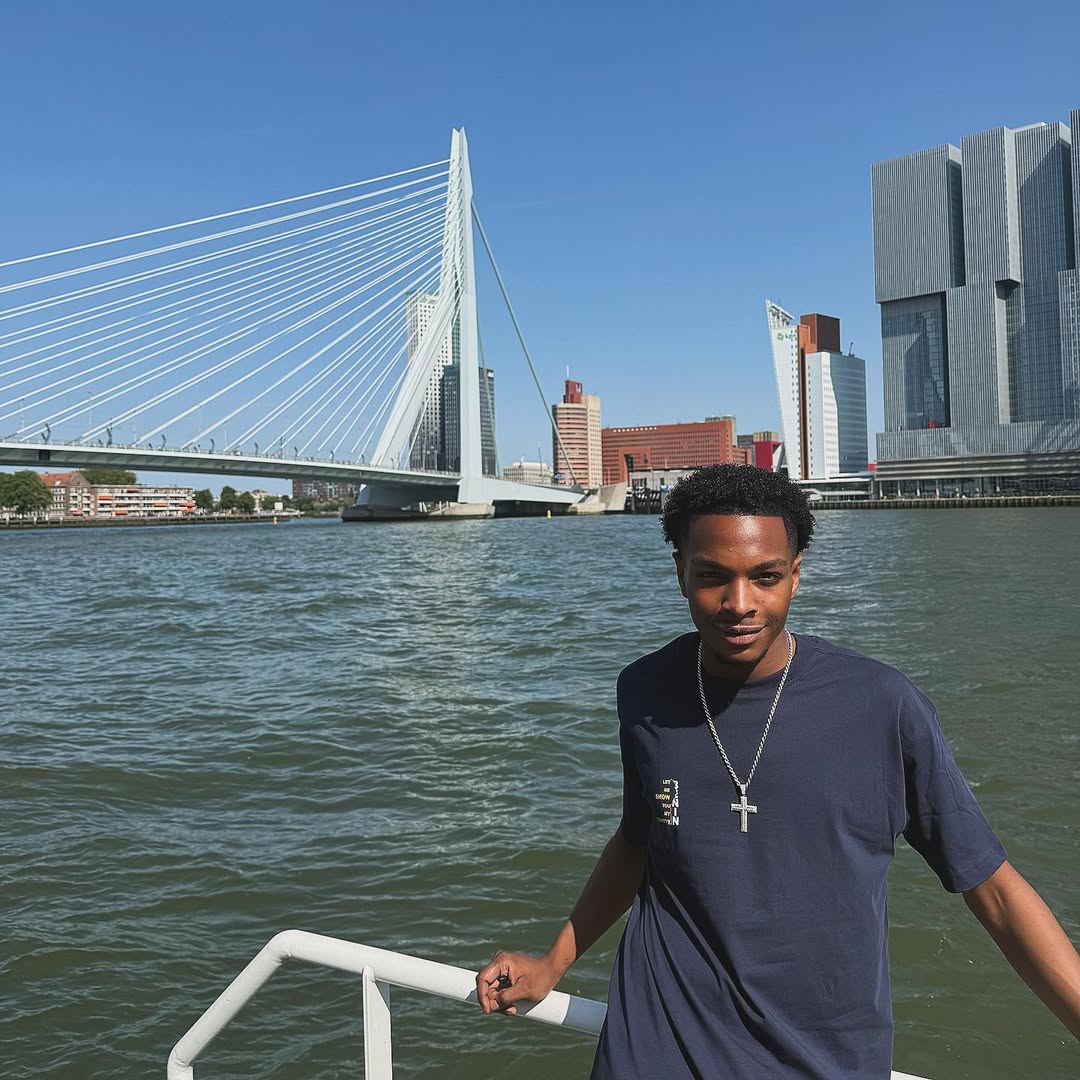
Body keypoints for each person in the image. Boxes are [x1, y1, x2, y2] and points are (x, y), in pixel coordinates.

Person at [477, 464, 1080, 1078]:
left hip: (820, 1057)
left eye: (765, 576)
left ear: (796, 573)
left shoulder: (881, 706)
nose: (739, 604)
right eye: (712, 576)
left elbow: (992, 888)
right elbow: (639, 840)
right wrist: (553, 961)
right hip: (652, 1047)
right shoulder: (644, 690)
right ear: (680, 572)